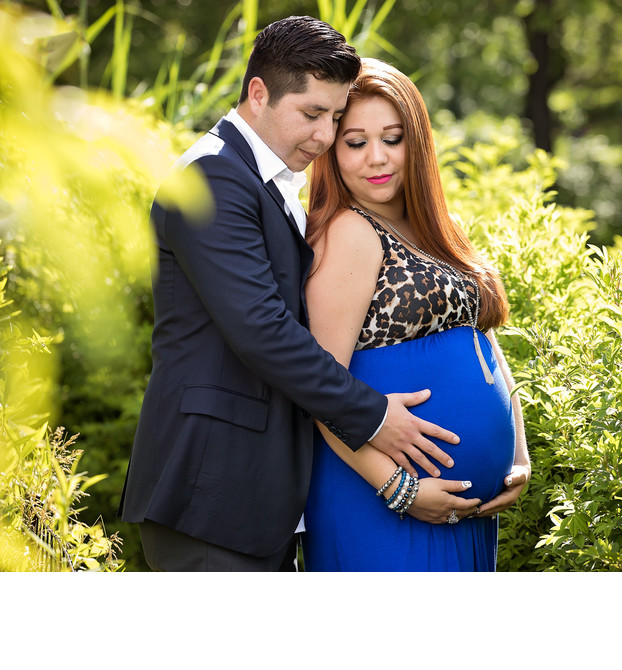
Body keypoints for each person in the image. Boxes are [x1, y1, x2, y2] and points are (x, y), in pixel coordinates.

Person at [118, 18, 474, 572]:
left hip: (256, 499)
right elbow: (263, 333)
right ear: (257, 94)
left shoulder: (265, 180)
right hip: (210, 493)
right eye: (312, 114)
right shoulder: (211, 178)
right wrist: (376, 415)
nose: (326, 137)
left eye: (335, 118)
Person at [301, 58, 531, 571]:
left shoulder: (438, 226)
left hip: (465, 508)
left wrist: (517, 454)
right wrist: (400, 489)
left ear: (418, 142)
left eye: (393, 138)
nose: (376, 158)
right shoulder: (348, 233)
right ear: (332, 150)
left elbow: (483, 344)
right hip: (378, 501)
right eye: (356, 142)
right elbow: (318, 391)